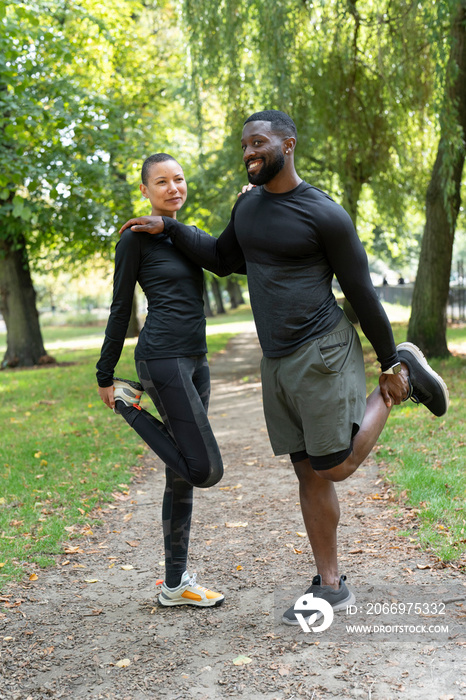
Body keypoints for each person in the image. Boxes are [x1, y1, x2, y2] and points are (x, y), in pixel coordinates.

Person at [118, 111, 449, 626]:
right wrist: (172, 228)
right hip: (277, 361)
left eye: (259, 142)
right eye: (244, 145)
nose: (249, 151)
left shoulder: (324, 214)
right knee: (306, 470)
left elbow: (360, 290)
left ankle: (399, 382)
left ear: (288, 144)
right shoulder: (248, 207)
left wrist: (386, 359)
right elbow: (224, 257)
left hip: (322, 349)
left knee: (333, 465)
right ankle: (331, 585)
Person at [96, 153, 225, 609]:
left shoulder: (183, 235)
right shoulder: (135, 239)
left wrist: (252, 204)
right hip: (162, 358)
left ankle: (175, 585)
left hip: (196, 360)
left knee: (182, 474)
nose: (173, 188)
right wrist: (104, 373)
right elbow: (120, 306)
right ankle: (128, 406)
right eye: (161, 182)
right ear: (145, 191)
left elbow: (228, 257)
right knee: (206, 470)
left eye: (179, 179)